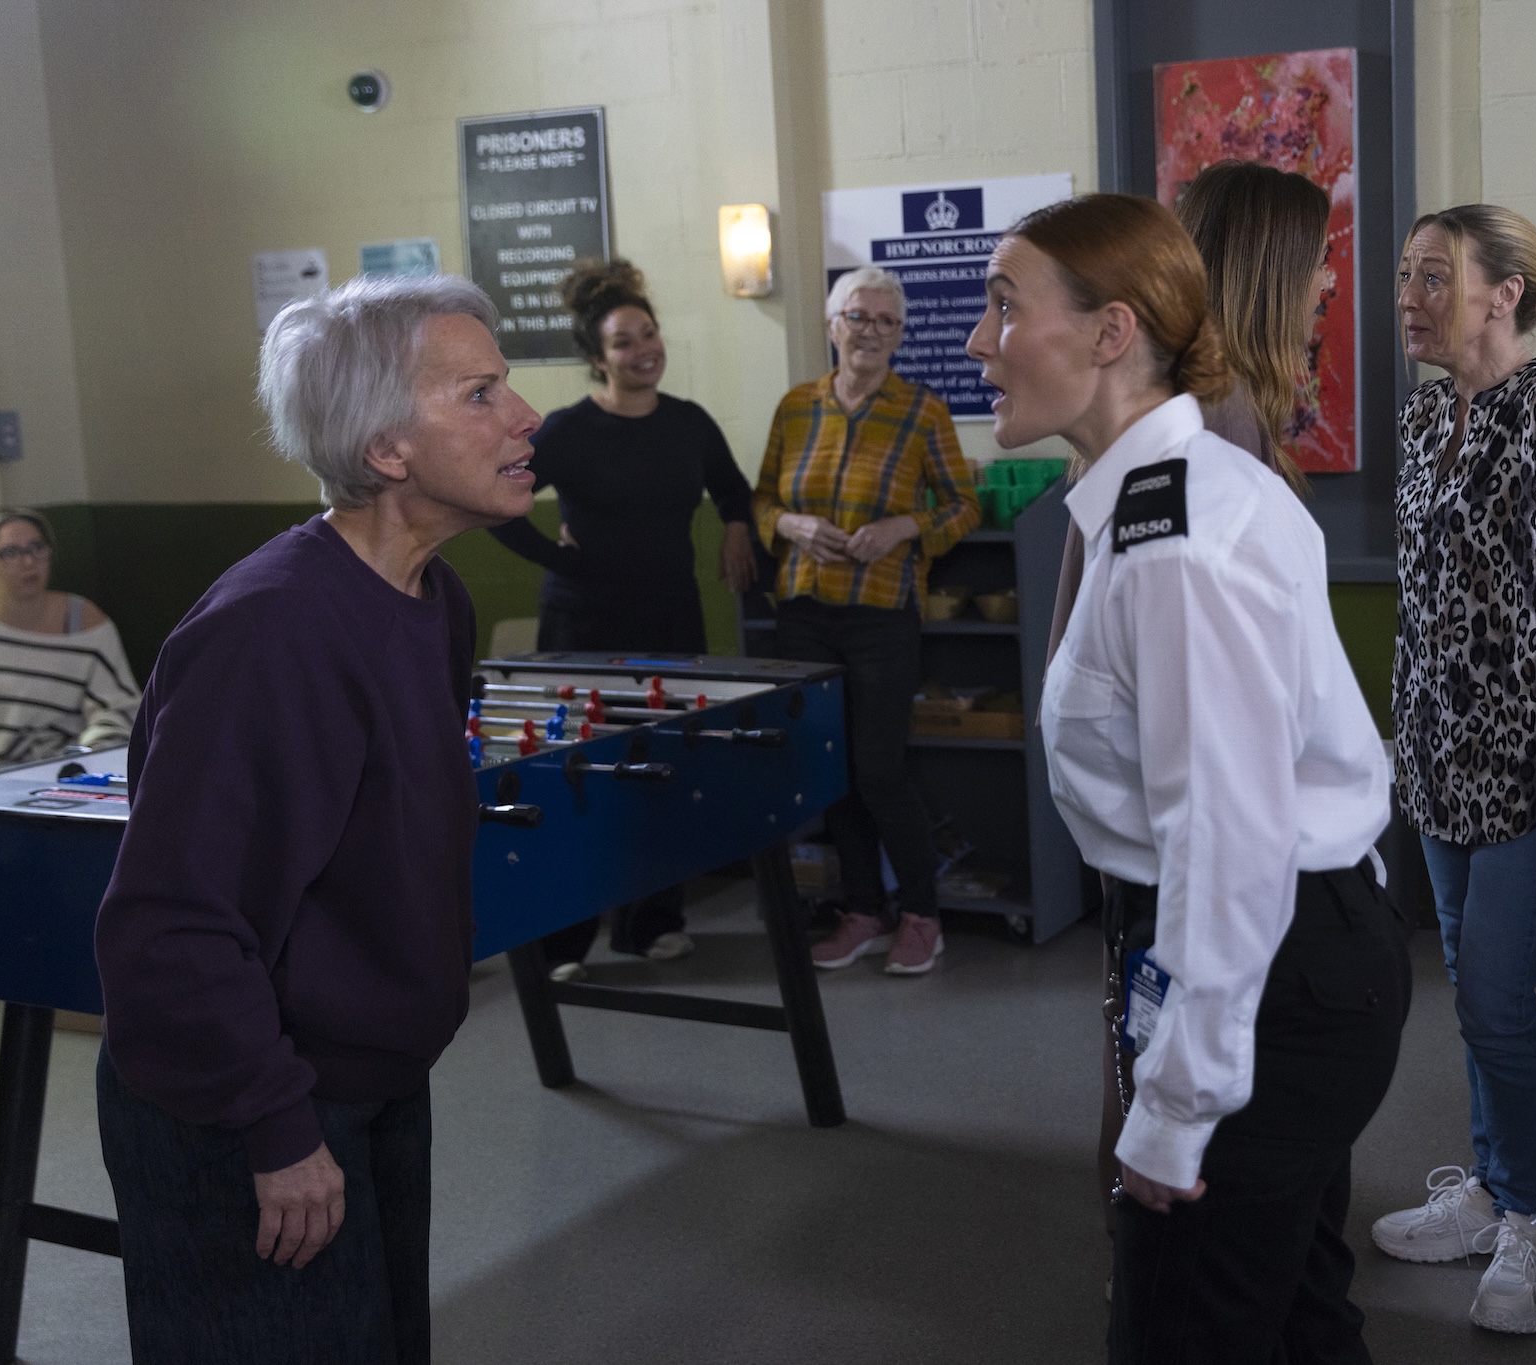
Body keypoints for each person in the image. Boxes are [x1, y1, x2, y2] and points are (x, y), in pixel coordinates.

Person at [974, 191, 1409, 1363]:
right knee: (1298, 1309)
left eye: (1006, 309)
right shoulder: (1163, 500)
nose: (980, 342)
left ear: (1112, 333)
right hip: (1270, 957)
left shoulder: (1176, 542)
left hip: (1269, 969)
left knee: (1188, 1332)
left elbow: (1229, 842)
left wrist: (1174, 1111)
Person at [92, 274, 539, 1363]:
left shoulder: (437, 599)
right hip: (248, 1106)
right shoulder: (271, 634)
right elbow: (172, 924)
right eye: (481, 394)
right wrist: (276, 1124)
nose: (525, 418)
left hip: (367, 1077)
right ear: (388, 449)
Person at [1043, 163, 1337, 1244]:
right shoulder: (1206, 429)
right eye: (1318, 261)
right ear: (1268, 270)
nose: (1331, 283)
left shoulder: (1203, 415)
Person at [1370, 204, 1536, 1335]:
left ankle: (1531, 1218)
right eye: (1404, 276)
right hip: (1433, 755)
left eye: (1436, 276)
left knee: (1495, 995)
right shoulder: (1428, 413)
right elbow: (1421, 596)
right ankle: (1486, 1190)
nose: (1409, 297)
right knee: (1476, 1005)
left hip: (1525, 762)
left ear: (1504, 293)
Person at [490, 258, 755, 973]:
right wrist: (561, 558)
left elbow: (735, 491)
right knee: (584, 776)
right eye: (623, 341)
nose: (644, 349)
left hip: (672, 624)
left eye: (649, 333)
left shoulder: (690, 424)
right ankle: (564, 939)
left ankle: (649, 922)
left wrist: (736, 526)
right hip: (585, 631)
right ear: (595, 357)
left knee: (663, 771)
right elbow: (498, 505)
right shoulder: (570, 431)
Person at [754, 265, 980, 976]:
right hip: (803, 611)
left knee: (880, 768)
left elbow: (962, 505)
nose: (872, 331)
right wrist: (788, 521)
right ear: (832, 325)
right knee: (832, 771)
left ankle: (921, 915)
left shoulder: (923, 412)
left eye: (887, 321)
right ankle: (860, 912)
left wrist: (904, 528)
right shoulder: (796, 408)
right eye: (859, 317)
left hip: (882, 613)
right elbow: (761, 500)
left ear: (901, 335)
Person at [0, 508, 139, 762]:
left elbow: (118, 708)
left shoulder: (83, 622)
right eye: (10, 552)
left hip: (61, 769)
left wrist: (87, 759)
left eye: (36, 547)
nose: (28, 562)